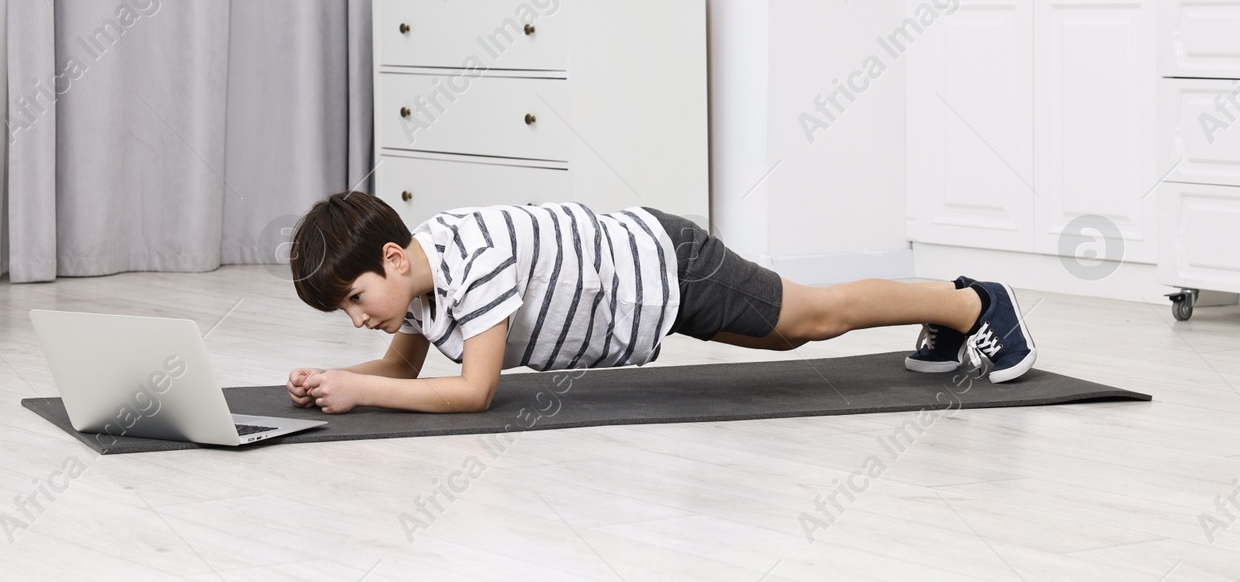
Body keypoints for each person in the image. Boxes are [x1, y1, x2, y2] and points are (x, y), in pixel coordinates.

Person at [284, 191, 1035, 414]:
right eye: (345, 313)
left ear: (392, 255)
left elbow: (477, 390)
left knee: (815, 316)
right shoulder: (412, 284)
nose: (362, 316)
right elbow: (400, 368)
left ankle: (973, 303)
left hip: (666, 266)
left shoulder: (467, 258)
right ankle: (944, 312)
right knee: (788, 336)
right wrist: (336, 379)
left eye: (356, 298)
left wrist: (356, 391)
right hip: (646, 289)